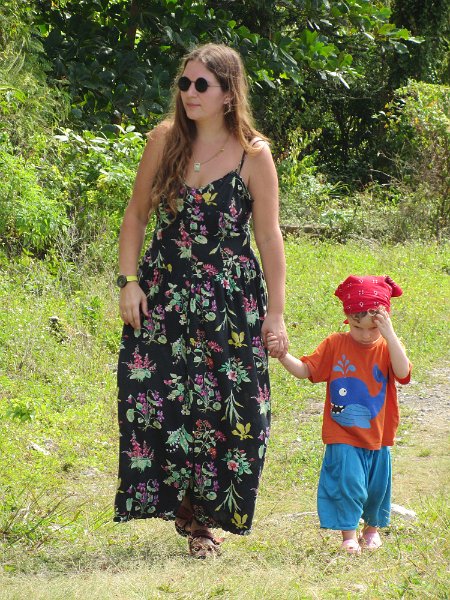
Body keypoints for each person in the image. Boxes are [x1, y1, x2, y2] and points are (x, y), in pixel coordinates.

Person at [114, 43, 288, 558]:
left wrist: (275, 313)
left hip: (230, 301)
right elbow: (135, 215)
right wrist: (128, 281)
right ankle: (190, 517)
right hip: (164, 295)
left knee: (235, 409)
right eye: (184, 83)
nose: (189, 93)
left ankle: (209, 514)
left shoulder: (253, 153)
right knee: (161, 400)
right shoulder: (164, 140)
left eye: (201, 85)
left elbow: (269, 237)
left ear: (228, 93)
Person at [267, 275, 411, 555]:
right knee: (349, 483)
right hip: (342, 432)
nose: (365, 335)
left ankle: (371, 530)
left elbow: (403, 373)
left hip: (379, 434)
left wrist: (390, 335)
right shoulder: (335, 344)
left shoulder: (388, 346)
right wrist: (283, 356)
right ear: (347, 319)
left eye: (373, 329)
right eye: (357, 327)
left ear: (385, 322)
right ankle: (349, 535)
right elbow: (306, 371)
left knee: (376, 487)